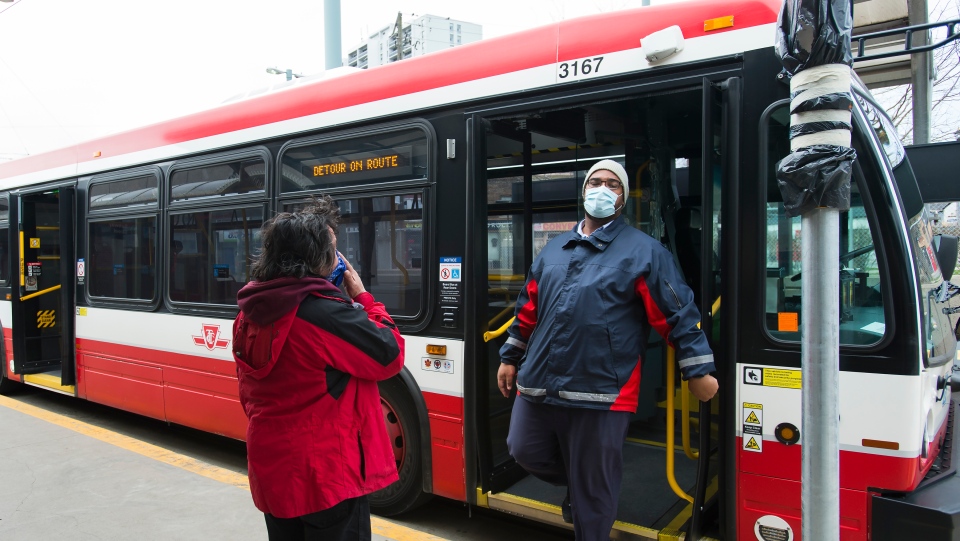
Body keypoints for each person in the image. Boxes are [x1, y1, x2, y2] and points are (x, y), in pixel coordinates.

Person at [497, 159, 719, 541]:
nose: (602, 189)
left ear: (622, 198)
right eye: (596, 182)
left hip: (603, 390)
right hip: (538, 383)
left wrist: (697, 370)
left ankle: (589, 503)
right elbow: (527, 311)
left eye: (612, 185)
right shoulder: (552, 251)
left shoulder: (645, 253)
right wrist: (510, 357)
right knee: (524, 449)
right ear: (584, 191)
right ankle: (582, 489)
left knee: (594, 492)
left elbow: (677, 312)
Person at [233, 196, 404, 541]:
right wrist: (364, 299)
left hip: (272, 469)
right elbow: (389, 354)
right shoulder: (324, 314)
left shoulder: (248, 312)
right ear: (318, 257)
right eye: (334, 249)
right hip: (324, 474)